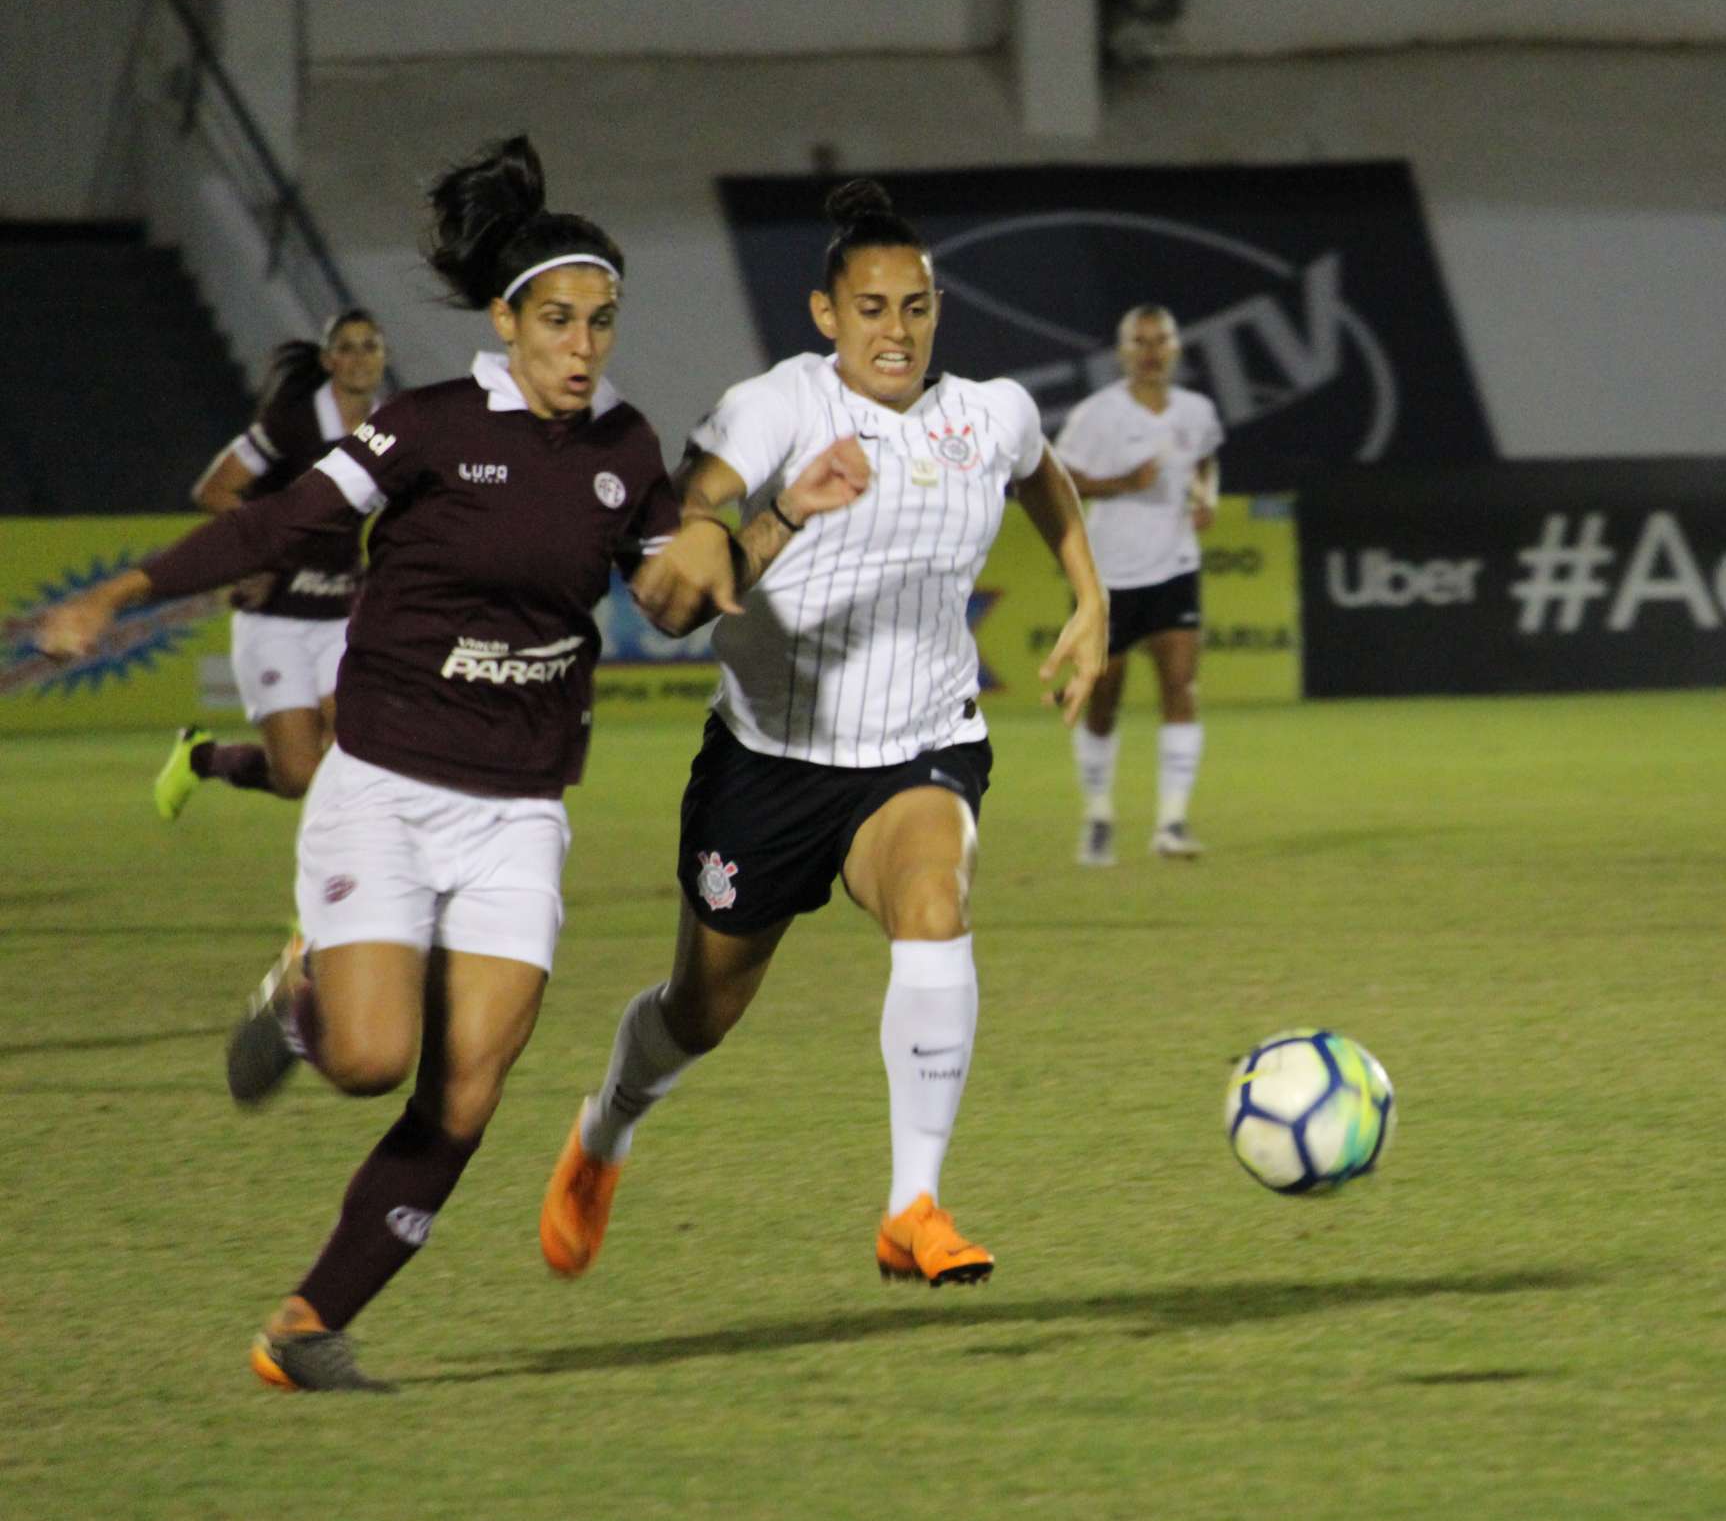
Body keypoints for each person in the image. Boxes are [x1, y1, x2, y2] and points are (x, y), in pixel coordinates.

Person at [28, 136, 814, 1392]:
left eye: (603, 322)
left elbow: (673, 603)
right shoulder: (427, 428)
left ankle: (303, 1328)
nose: (583, 345)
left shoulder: (624, 449)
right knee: (371, 1061)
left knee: (470, 1086)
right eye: (559, 319)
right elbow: (279, 522)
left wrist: (775, 518)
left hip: (518, 813)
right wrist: (118, 592)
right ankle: (302, 1000)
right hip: (384, 788)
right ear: (506, 320)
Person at [535, 178, 1108, 1293]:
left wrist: (1089, 595)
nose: (896, 331)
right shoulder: (777, 407)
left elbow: (1044, 479)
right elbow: (696, 518)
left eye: (917, 307)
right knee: (700, 1010)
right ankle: (607, 1127)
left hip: (920, 746)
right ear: (825, 315)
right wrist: (747, 522)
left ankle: (912, 1205)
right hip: (769, 763)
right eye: (873, 309)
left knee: (935, 903)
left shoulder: (990, 413)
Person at [155, 309, 389, 819]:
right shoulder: (293, 424)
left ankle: (360, 884)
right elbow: (214, 488)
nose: (359, 357)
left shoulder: (390, 429)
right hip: (275, 620)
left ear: (383, 356)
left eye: (370, 346)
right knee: (297, 778)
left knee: (365, 757)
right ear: (328, 360)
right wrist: (263, 551)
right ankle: (205, 758)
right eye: (346, 347)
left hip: (339, 619)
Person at [1051, 305, 1224, 865]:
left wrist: (1208, 497)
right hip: (1110, 576)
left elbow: (1204, 459)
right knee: (1104, 701)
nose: (1150, 351)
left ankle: (1171, 822)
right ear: (1123, 351)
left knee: (1182, 687)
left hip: (1175, 564)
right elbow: (1059, 478)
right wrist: (1123, 481)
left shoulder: (1196, 410)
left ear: (1176, 348)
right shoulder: (1097, 415)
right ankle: (1099, 812)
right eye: (1139, 342)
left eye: (1160, 341)